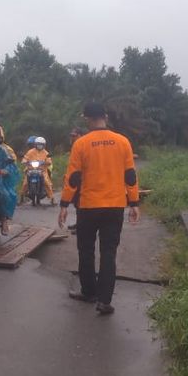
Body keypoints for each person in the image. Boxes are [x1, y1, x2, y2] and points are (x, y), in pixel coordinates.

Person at [58, 103, 140, 315]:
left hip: (89, 206)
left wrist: (64, 204)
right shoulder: (123, 142)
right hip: (114, 206)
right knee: (108, 252)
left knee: (86, 250)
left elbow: (73, 178)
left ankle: (88, 292)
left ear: (87, 118)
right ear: (105, 116)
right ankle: (104, 301)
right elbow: (130, 175)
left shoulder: (81, 144)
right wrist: (134, 203)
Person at [20, 136, 55, 205]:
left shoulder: (45, 153)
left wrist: (47, 162)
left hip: (42, 170)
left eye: (41, 144)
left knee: (47, 183)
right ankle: (21, 197)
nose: (39, 146)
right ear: (35, 144)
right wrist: (25, 161)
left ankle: (52, 199)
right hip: (31, 170)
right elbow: (25, 158)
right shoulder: (30, 152)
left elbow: (49, 160)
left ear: (44, 145)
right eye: (38, 144)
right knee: (25, 183)